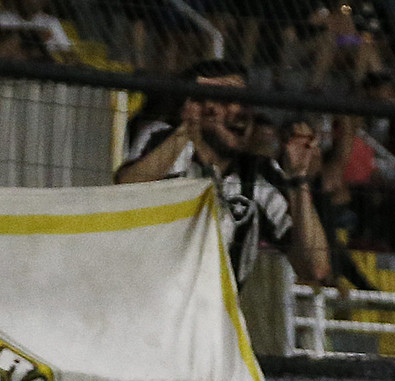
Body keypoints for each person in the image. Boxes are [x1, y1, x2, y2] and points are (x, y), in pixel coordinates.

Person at [115, 59, 330, 289]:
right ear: (197, 104)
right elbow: (126, 187)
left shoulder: (259, 174)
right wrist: (187, 129)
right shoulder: (164, 142)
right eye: (228, 101)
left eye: (245, 101)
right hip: (152, 302)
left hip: (213, 318)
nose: (241, 112)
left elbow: (315, 267)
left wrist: (299, 179)